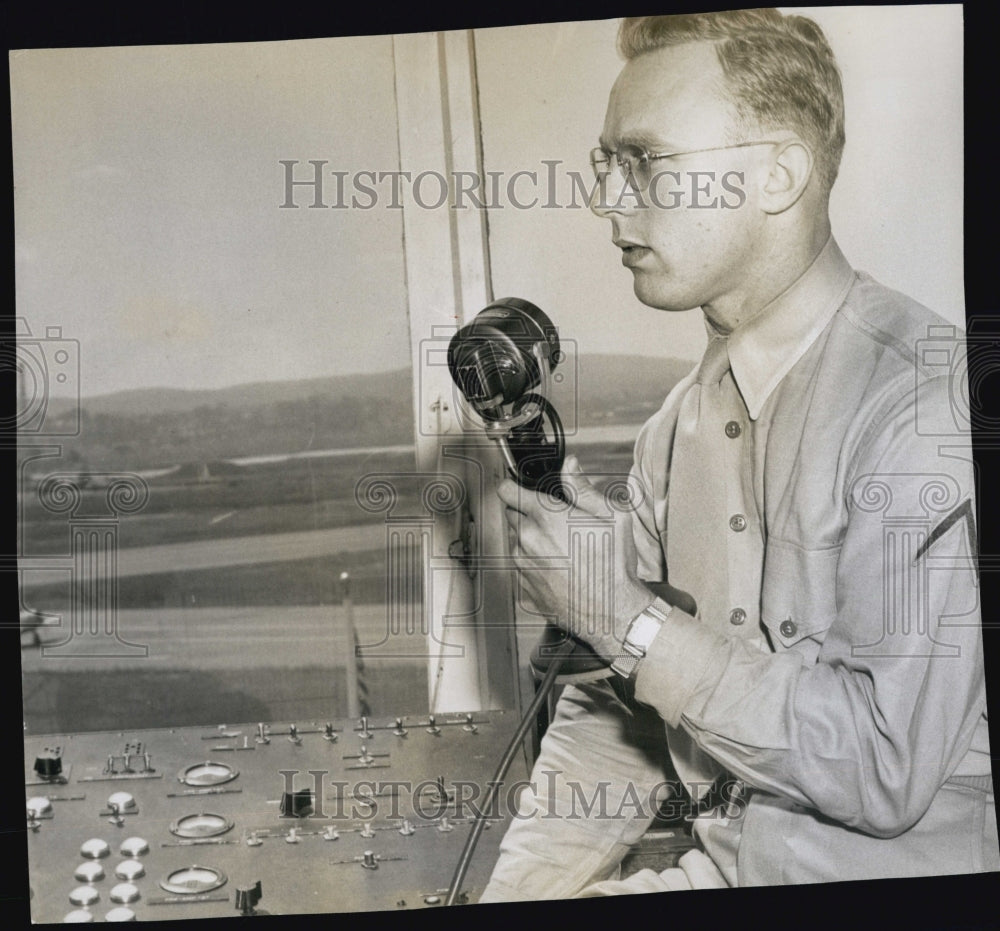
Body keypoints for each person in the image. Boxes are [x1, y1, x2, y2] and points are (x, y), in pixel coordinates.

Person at [479, 9, 996, 900]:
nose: (607, 201)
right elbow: (613, 721)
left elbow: (882, 765)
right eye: (606, 163)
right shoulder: (669, 436)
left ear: (778, 175)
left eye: (645, 160)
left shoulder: (926, 404)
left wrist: (626, 619)